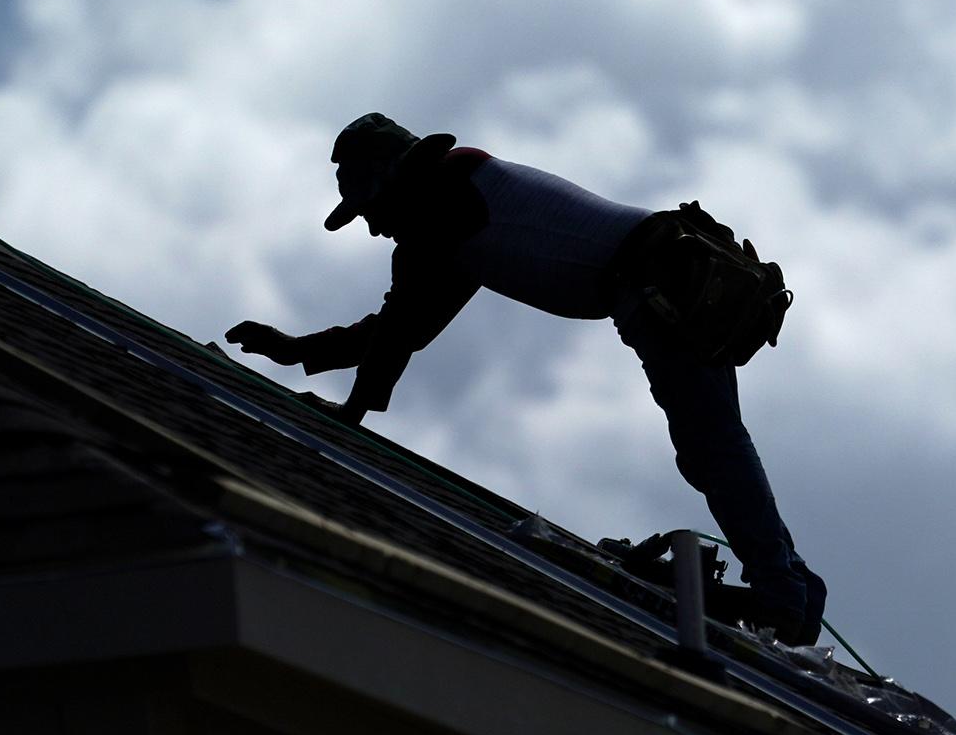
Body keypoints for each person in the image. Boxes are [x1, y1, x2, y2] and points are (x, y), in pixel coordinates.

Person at [225, 114, 827, 645]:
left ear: (390, 180)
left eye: (368, 208)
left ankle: (783, 592)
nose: (373, 227)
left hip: (660, 283)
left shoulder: (441, 204)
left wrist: (348, 414)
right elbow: (400, 327)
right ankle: (790, 586)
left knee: (712, 445)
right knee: (714, 446)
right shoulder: (463, 202)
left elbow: (397, 327)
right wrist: (298, 351)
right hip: (676, 269)